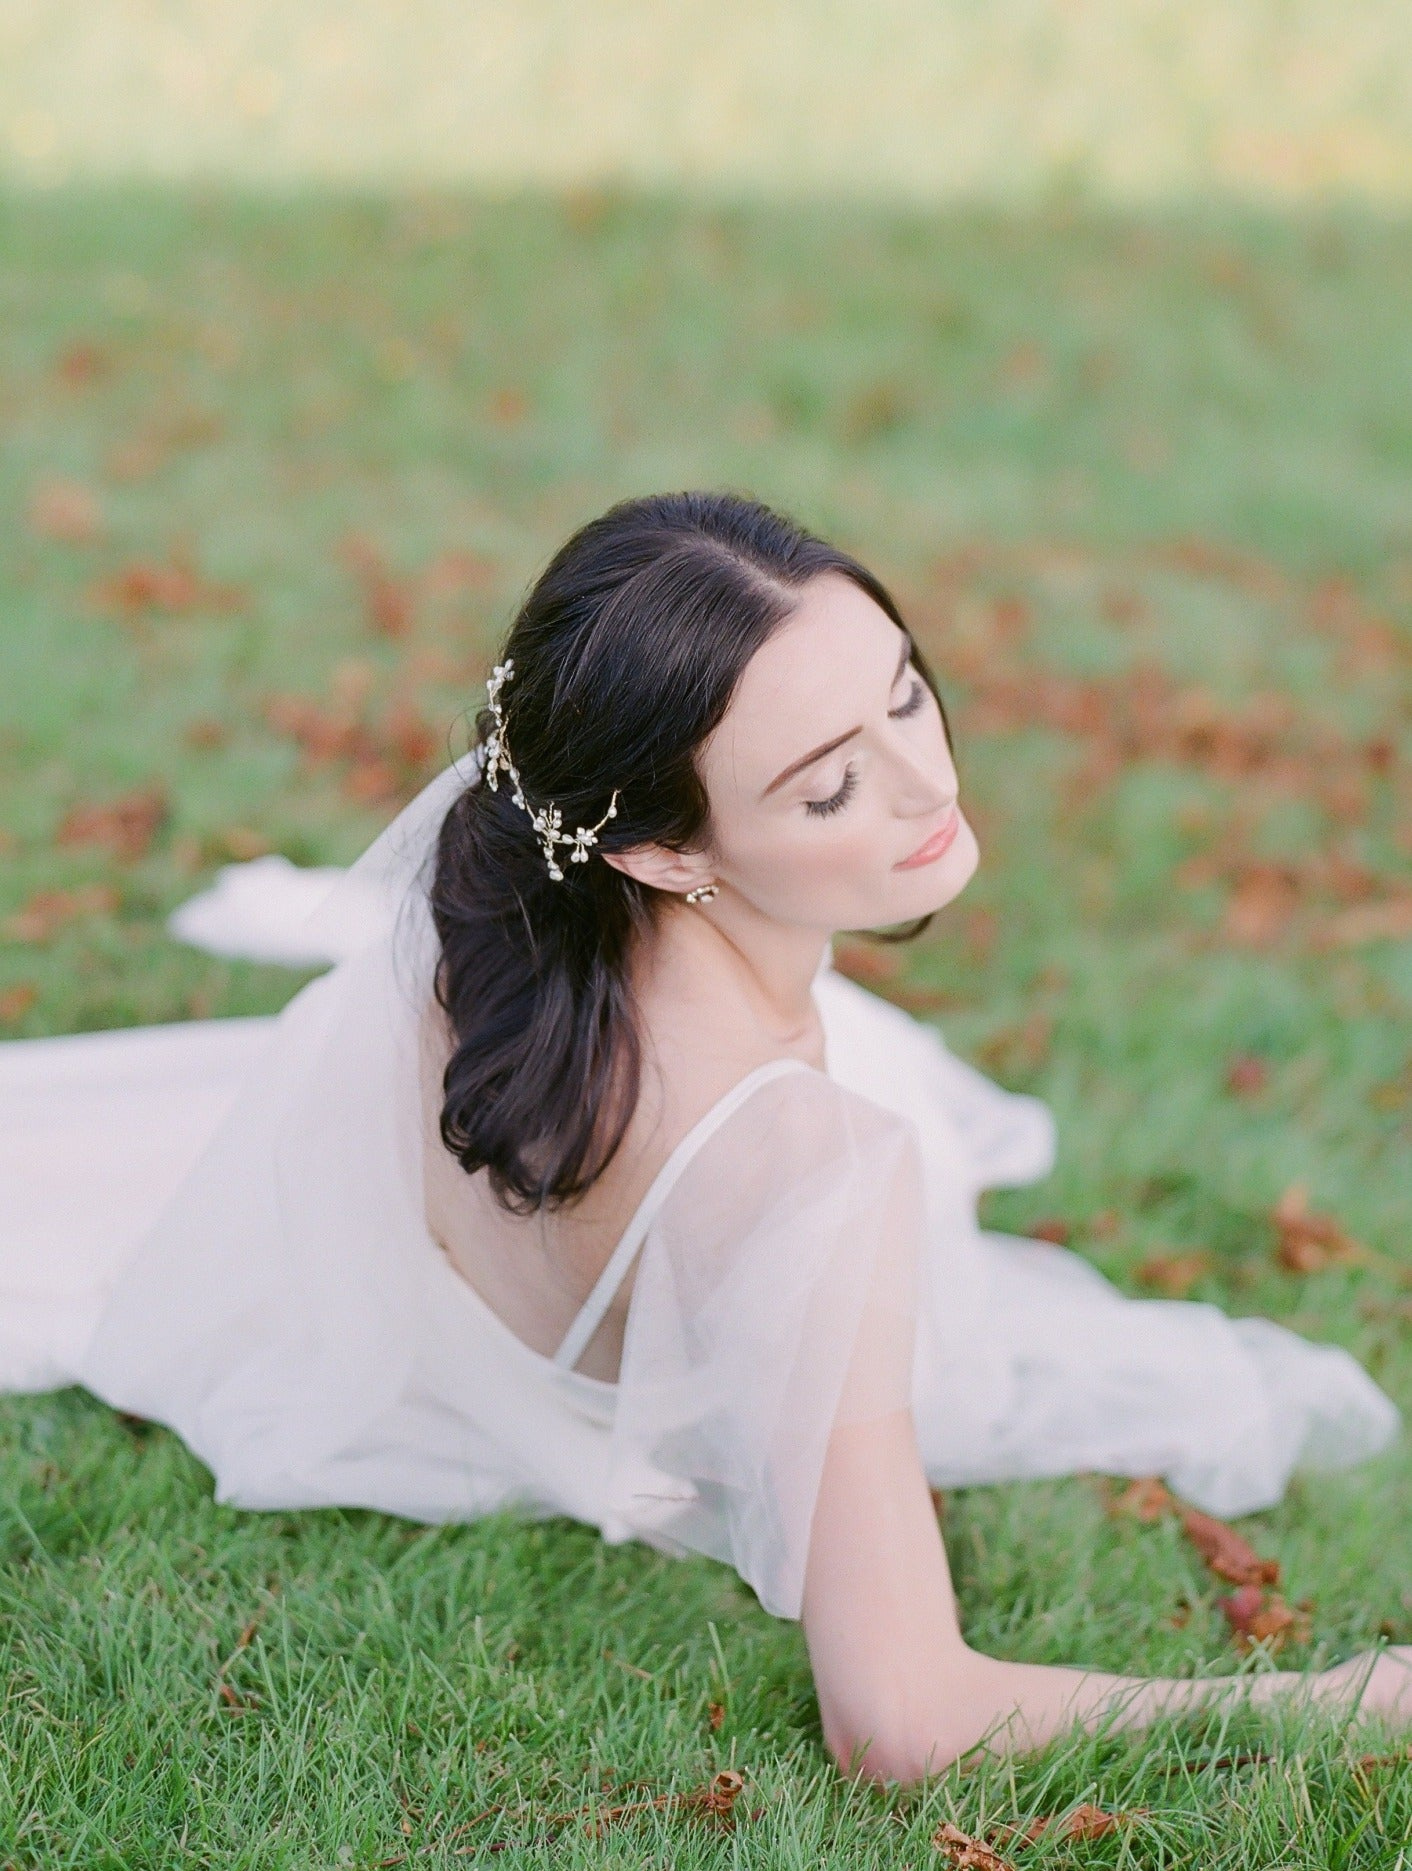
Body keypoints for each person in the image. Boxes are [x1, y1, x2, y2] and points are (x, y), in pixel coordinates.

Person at [1, 490, 1407, 1781]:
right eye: (828, 786)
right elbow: (905, 1718)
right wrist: (1337, 1698)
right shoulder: (817, 1178)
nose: (927, 784)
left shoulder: (501, 912)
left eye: (905, 697)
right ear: (662, 853)